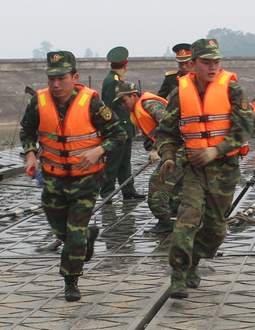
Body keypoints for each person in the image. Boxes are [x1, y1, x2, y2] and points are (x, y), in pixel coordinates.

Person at [20, 50, 127, 300]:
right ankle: (87, 236)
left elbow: (118, 134)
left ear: (74, 76)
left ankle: (71, 281)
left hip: (86, 180)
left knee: (74, 235)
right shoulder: (39, 102)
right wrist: (31, 155)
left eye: (62, 78)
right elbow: (27, 132)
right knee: (62, 231)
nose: (56, 84)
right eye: (51, 79)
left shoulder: (91, 103)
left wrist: (98, 150)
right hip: (53, 179)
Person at [154, 38, 255, 299]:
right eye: (206, 62)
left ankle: (194, 261)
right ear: (193, 64)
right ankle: (178, 276)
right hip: (194, 169)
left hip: (224, 169)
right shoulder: (179, 93)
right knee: (186, 222)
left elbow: (245, 128)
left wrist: (217, 149)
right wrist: (167, 156)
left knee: (216, 230)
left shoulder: (232, 89)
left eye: (216, 62)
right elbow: (166, 131)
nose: (212, 67)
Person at [114, 80, 180, 234]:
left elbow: (167, 124)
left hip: (176, 151)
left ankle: (165, 222)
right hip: (173, 151)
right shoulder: (136, 111)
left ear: (133, 96)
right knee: (177, 189)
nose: (123, 105)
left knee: (156, 188)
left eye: (124, 100)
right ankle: (180, 219)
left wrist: (156, 149)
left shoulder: (150, 104)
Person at [100, 46, 143, 201]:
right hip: (118, 128)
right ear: (125, 64)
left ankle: (128, 189)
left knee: (125, 162)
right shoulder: (112, 81)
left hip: (125, 128)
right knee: (113, 163)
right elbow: (109, 107)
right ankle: (107, 192)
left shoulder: (117, 80)